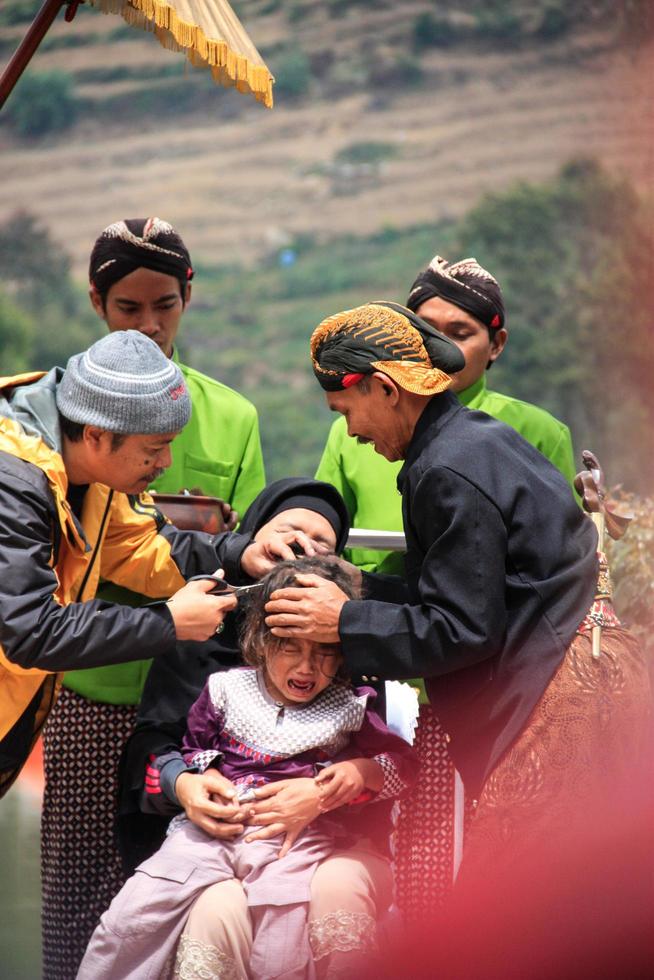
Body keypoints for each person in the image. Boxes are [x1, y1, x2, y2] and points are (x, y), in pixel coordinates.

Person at [266, 301, 651, 912]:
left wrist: (340, 622)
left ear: (384, 388)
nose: (354, 434)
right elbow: (463, 590)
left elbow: (464, 629)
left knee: (522, 915)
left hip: (563, 700)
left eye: (347, 413)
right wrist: (357, 589)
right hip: (586, 678)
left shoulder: (446, 469)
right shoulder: (471, 440)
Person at [0, 331, 303, 978]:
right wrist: (169, 623)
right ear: (99, 436)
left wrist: (236, 554)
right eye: (155, 448)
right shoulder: (14, 478)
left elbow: (141, 548)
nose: (166, 463)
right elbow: (26, 630)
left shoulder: (79, 461)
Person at [41, 217, 266, 980]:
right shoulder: (67, 427)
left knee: (187, 904)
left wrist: (240, 551)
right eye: (129, 310)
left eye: (164, 306)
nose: (151, 325)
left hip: (192, 706)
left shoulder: (232, 416)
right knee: (77, 909)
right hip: (86, 687)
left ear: (189, 297)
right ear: (98, 302)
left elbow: (202, 564)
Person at [78, 556, 418, 980]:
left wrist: (361, 773)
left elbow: (403, 766)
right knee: (137, 911)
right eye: (289, 645)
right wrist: (205, 776)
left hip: (293, 843)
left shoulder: (350, 706)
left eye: (324, 652)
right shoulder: (225, 688)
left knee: (282, 931)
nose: (306, 667)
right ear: (259, 639)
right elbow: (193, 747)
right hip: (211, 834)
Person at [315, 254, 575, 575]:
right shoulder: (352, 429)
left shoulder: (538, 431)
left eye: (460, 333)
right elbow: (325, 514)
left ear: (496, 345)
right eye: (424, 331)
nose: (435, 348)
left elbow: (554, 552)